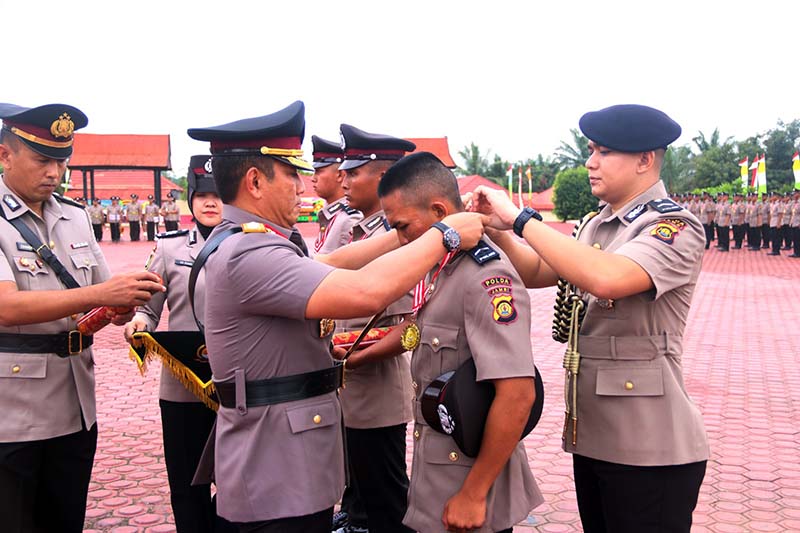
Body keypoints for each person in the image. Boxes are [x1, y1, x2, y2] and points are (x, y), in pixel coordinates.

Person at [186, 100, 485, 533]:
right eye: (291, 174)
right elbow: (365, 292)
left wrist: (406, 232)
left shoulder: (246, 241)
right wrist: (446, 234)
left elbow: (335, 261)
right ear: (255, 180)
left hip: (283, 458)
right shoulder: (249, 252)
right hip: (277, 470)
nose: (302, 186)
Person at [472, 104, 709, 533]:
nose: (590, 162)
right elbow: (536, 271)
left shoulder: (672, 225)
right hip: (596, 436)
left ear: (644, 160)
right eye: (591, 150)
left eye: (604, 152)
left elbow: (605, 278)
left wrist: (520, 219)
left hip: (650, 446)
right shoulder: (596, 226)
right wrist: (498, 229)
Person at [0, 102, 164, 533]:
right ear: (4, 155)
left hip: (74, 400)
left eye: (61, 161)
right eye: (42, 160)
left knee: (65, 516)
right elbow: (6, 306)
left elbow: (99, 301)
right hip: (12, 409)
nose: (53, 172)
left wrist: (122, 306)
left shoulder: (73, 216)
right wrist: (102, 293)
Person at [368, 152, 544, 532]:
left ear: (438, 210)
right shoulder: (442, 269)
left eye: (404, 226)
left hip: (466, 477)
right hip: (439, 468)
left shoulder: (485, 278)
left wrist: (475, 493)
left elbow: (517, 394)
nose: (401, 240)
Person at [124, 156, 235, 533]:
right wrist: (140, 322)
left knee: (239, 479)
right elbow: (148, 306)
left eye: (217, 195)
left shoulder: (249, 244)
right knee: (187, 482)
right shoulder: (169, 248)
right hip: (183, 384)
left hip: (238, 383)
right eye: (201, 194)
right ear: (190, 198)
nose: (209, 202)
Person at [332, 124, 418, 533]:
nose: (343, 180)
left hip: (379, 385)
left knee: (387, 504)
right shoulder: (360, 229)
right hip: (351, 383)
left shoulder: (403, 237)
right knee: (362, 498)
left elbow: (412, 324)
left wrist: (361, 352)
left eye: (353, 172)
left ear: (382, 177)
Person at [311, 135, 362, 256]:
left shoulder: (348, 219)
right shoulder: (331, 215)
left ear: (339, 175)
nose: (313, 178)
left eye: (318, 171)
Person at [789, 190, 800, 258]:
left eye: (795, 194)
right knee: (794, 238)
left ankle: (798, 252)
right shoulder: (793, 203)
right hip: (793, 222)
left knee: (798, 238)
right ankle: (795, 252)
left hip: (798, 222)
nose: (793, 195)